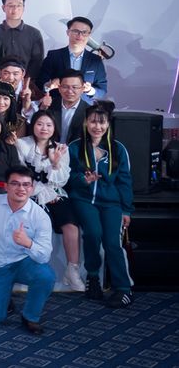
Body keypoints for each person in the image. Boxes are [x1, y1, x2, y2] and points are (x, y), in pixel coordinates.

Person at [66, 101, 133, 308]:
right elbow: (67, 177)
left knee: (112, 242)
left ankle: (123, 289)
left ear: (108, 124)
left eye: (102, 123)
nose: (97, 127)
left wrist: (126, 209)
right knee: (93, 234)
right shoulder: (75, 147)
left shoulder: (118, 149)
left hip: (111, 203)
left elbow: (124, 181)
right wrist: (82, 180)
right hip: (84, 199)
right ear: (86, 123)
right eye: (93, 122)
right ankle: (93, 277)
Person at [0, 165, 56, 333]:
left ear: (32, 188)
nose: (21, 188)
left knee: (46, 276)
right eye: (15, 183)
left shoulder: (40, 216)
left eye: (26, 184)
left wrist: (28, 243)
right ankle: (4, 296)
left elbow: (44, 256)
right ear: (6, 186)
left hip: (22, 263)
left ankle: (30, 316)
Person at [17, 109, 78, 290]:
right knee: (28, 225)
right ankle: (26, 274)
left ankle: (72, 270)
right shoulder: (22, 144)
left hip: (55, 193)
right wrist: (40, 192)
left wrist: (55, 163)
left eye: (49, 125)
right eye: (40, 124)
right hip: (29, 193)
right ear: (33, 126)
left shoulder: (61, 148)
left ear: (54, 128)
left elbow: (62, 180)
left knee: (70, 224)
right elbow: (21, 174)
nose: (44, 128)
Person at [0, 0, 45, 89]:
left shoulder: (34, 33)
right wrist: (0, 77)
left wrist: (26, 82)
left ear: (23, 8)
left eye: (19, 5)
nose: (15, 9)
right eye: (10, 5)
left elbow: (37, 62)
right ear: (3, 8)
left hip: (26, 86)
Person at [38, 16, 107, 102]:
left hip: (85, 107)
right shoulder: (54, 56)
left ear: (89, 35)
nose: (80, 35)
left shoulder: (96, 60)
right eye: (76, 31)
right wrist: (49, 85)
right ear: (68, 32)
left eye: (84, 32)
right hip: (56, 106)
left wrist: (90, 90)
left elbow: (102, 90)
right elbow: (40, 83)